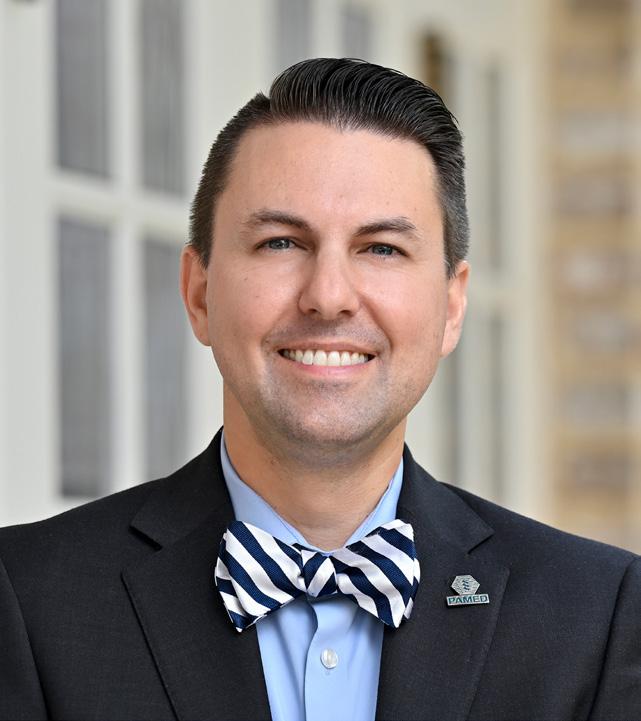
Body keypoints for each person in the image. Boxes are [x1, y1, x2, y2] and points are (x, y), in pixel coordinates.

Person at [1, 58, 639, 721]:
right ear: (199, 293)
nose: (328, 296)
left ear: (451, 307)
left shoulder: (598, 616)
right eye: (281, 242)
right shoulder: (26, 599)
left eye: (382, 248)